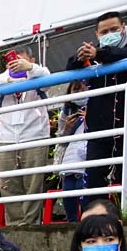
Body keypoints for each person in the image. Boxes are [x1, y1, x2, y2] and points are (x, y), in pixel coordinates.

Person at [67, 11, 127, 195]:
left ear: (123, 28)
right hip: (98, 128)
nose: (109, 34)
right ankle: (92, 218)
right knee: (94, 178)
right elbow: (70, 66)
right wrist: (79, 58)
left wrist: (100, 53)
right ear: (97, 34)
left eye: (114, 29)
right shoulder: (93, 52)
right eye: (104, 32)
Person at [0, 46, 51, 226]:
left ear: (31, 59)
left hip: (35, 136)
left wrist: (29, 69)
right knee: (9, 186)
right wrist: (9, 80)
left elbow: (48, 79)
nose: (16, 62)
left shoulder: (39, 73)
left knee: (33, 184)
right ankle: (14, 226)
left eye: (21, 58)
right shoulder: (2, 78)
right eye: (13, 59)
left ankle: (32, 225)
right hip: (7, 139)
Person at [54, 82, 89, 222]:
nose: (79, 91)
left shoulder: (97, 105)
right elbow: (61, 139)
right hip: (70, 156)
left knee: (83, 188)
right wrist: (68, 128)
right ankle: (72, 222)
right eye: (75, 89)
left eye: (82, 87)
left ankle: (87, 221)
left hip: (87, 154)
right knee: (68, 191)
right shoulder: (67, 110)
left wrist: (89, 117)